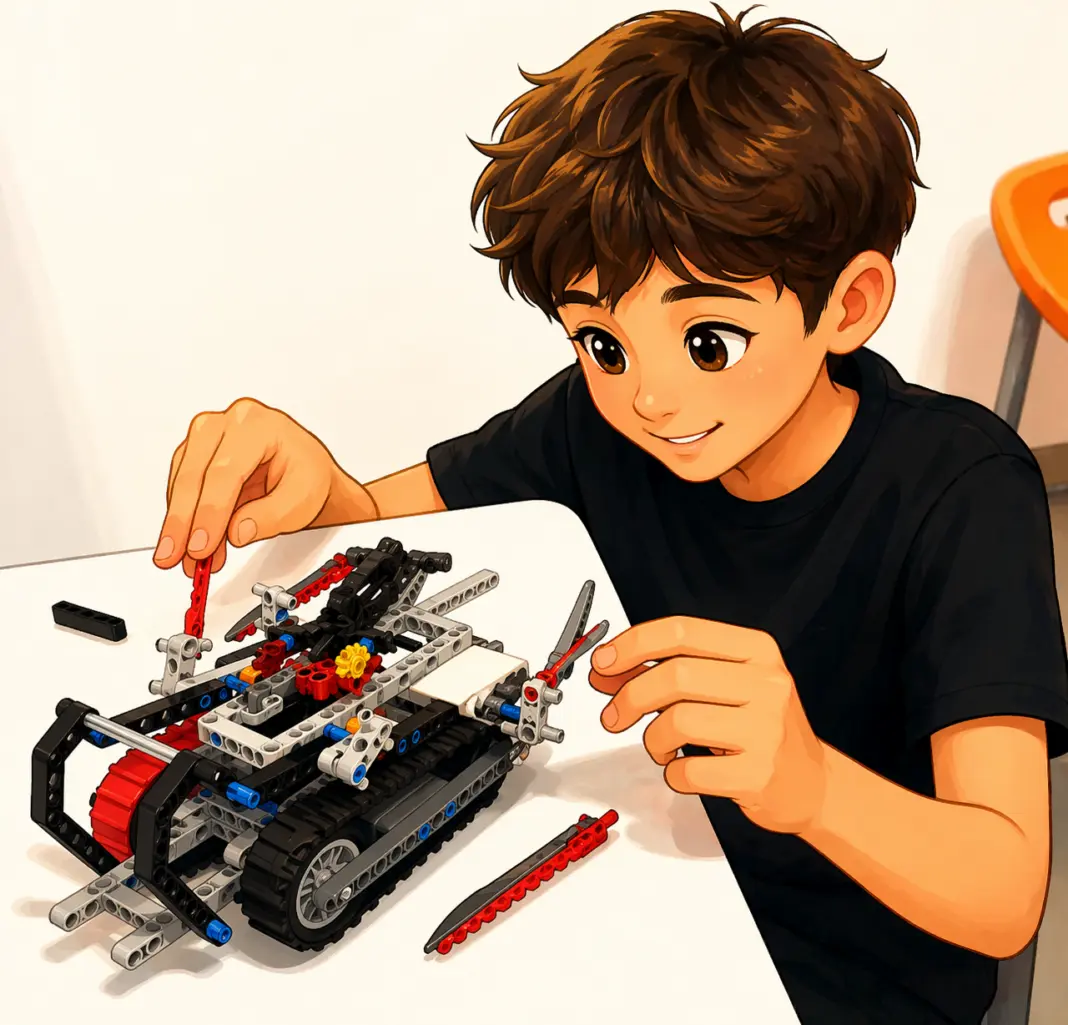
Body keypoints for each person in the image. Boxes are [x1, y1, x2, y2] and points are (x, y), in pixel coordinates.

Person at [152, 8, 1068, 1024]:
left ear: (847, 305)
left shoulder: (962, 489)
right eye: (603, 342)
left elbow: (1003, 894)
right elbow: (391, 522)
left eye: (709, 340)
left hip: (845, 972)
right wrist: (323, 492)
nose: (652, 398)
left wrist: (811, 783)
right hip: (632, 893)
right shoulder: (596, 424)